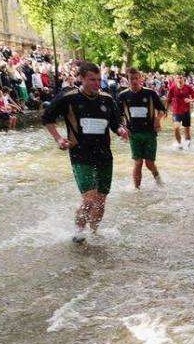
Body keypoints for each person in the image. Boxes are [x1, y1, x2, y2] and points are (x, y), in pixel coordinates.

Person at [42, 61, 130, 243]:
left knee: (101, 200)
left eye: (98, 79)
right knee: (89, 199)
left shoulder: (107, 99)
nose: (96, 83)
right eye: (92, 80)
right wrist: (58, 138)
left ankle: (94, 233)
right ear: (81, 78)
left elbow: (115, 124)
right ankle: (78, 233)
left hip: (104, 155)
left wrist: (121, 130)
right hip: (80, 155)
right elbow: (46, 118)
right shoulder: (69, 98)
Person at [117, 68, 166, 190]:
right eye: (131, 78)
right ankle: (136, 189)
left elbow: (162, 110)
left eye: (136, 78)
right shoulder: (123, 96)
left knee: (149, 163)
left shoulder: (150, 94)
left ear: (140, 79)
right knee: (138, 162)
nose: (134, 81)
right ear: (127, 80)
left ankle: (159, 181)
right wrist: (123, 127)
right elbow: (118, 116)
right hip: (133, 133)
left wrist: (157, 120)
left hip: (149, 133)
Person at [166, 75, 194, 150]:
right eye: (178, 78)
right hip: (176, 111)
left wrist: (190, 100)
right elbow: (168, 99)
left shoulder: (188, 87)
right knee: (176, 128)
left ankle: (188, 147)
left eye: (181, 78)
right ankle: (180, 144)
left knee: (187, 131)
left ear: (183, 80)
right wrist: (166, 110)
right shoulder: (172, 88)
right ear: (175, 80)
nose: (179, 79)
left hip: (186, 111)